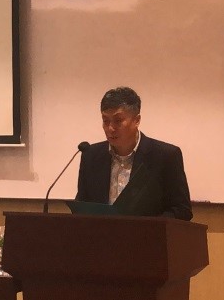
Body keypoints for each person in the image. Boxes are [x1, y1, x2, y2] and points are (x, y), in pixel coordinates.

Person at [76, 87, 193, 220]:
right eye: (105, 121)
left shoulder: (165, 156)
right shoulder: (90, 155)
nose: (110, 128)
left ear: (137, 120)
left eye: (118, 121)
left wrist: (146, 227)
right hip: (100, 233)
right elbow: (82, 206)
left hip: (148, 233)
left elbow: (181, 210)